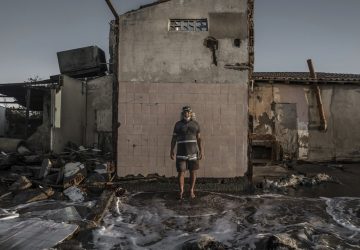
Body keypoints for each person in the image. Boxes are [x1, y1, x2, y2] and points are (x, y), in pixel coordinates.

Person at [170, 106, 203, 199]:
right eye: (185, 112)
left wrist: (201, 151)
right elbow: (174, 138)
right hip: (181, 153)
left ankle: (191, 190)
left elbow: (199, 138)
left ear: (191, 113)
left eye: (188, 112)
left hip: (193, 153)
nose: (186, 113)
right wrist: (171, 150)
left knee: (193, 172)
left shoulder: (196, 124)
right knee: (181, 172)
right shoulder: (178, 124)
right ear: (182, 113)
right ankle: (181, 191)